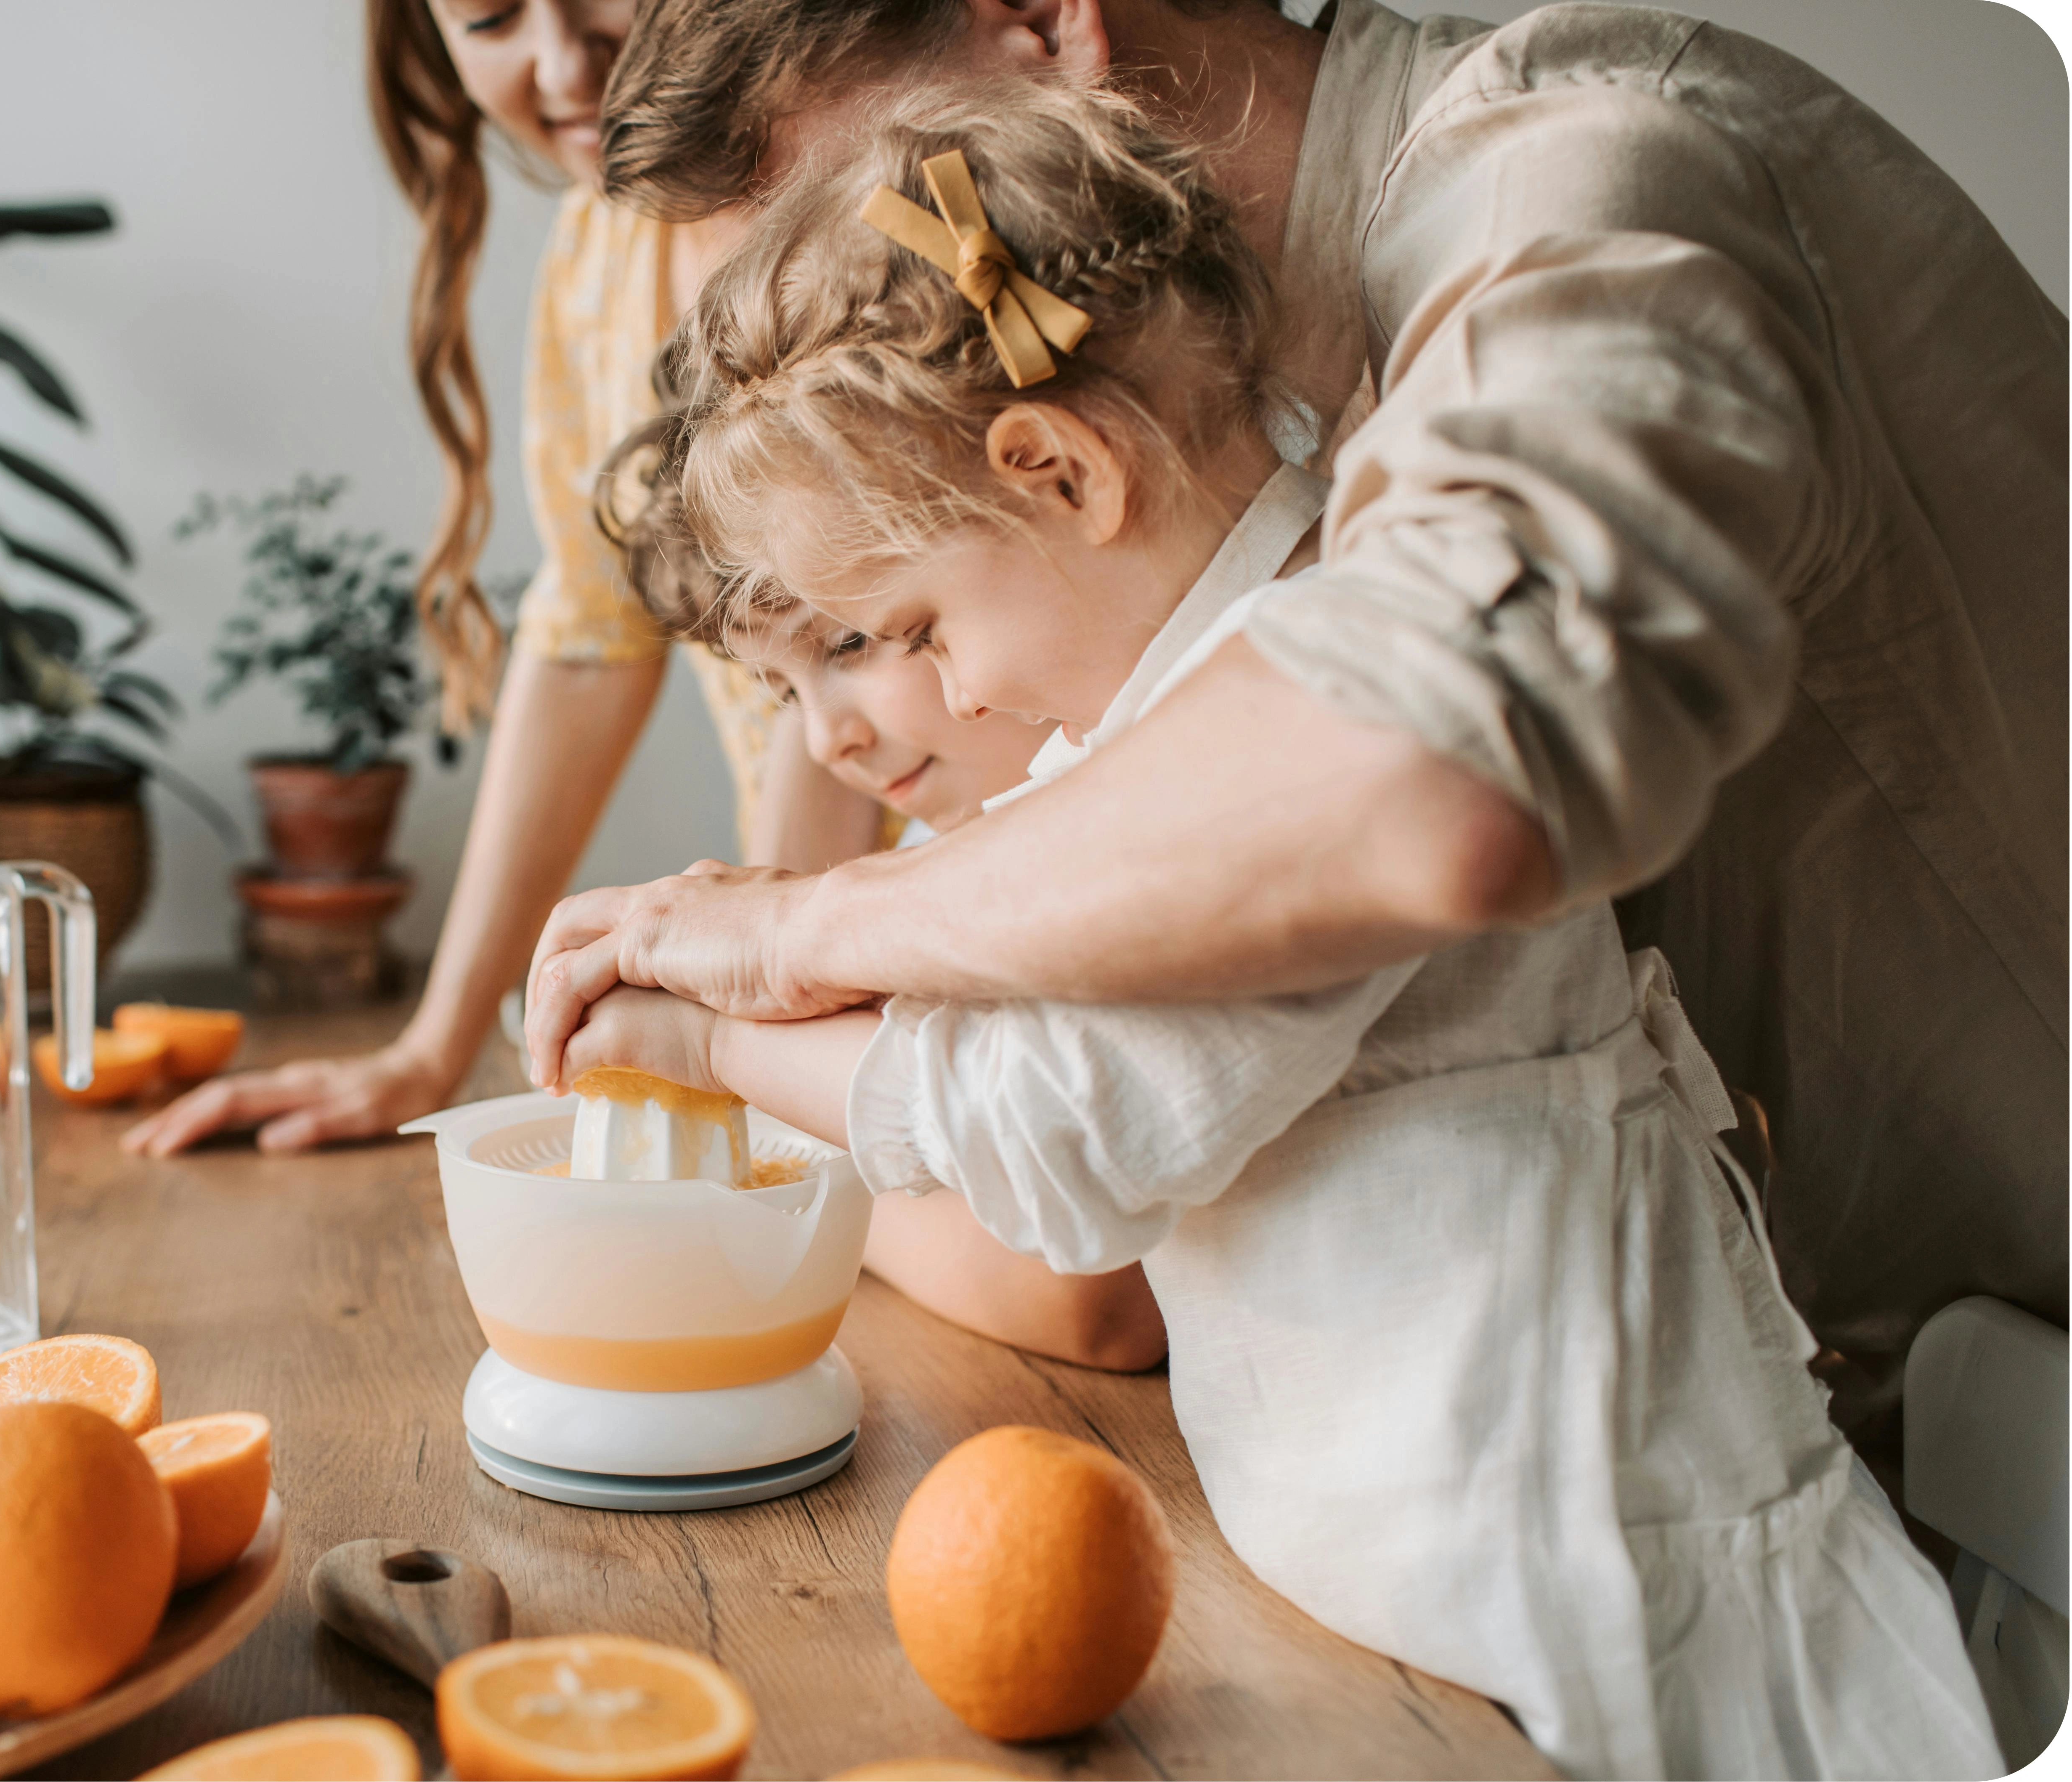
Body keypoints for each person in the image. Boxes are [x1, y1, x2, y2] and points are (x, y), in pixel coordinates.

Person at [552, 86, 1998, 1777]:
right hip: (1416, 1621)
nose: (948, 690)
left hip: (1615, 1619)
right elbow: (1009, 1026)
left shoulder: (1297, 714)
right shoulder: (1156, 715)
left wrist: (711, 1044)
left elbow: (1069, 1131)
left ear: (1057, 470)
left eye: (919, 630)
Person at [123, 0, 881, 1162]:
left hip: (951, 950)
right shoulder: (596, 253)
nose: (565, 67)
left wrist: (773, 1014)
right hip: (822, 995)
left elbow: (843, 635)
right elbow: (587, 637)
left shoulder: (852, 183)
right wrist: (431, 1050)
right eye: (489, 16)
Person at [647, 516, 1165, 1367]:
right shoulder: (931, 841)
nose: (826, 742)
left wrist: (765, 1171)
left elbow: (1089, 1295)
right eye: (784, 693)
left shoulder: (1118, 827)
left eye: (850, 642)